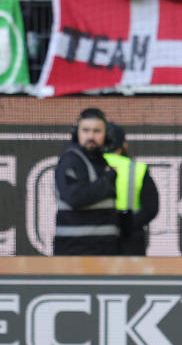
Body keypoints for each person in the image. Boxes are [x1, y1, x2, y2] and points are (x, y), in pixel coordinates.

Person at [54, 108, 120, 255]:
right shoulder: (71, 160)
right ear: (77, 134)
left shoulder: (101, 162)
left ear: (106, 135)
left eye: (97, 131)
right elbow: (75, 197)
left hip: (102, 249)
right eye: (85, 130)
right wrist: (107, 181)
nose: (91, 136)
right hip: (75, 250)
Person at [101, 123, 159, 256]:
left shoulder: (88, 166)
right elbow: (151, 208)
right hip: (130, 239)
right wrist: (127, 225)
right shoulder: (137, 169)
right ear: (123, 145)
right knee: (129, 276)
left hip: (97, 238)